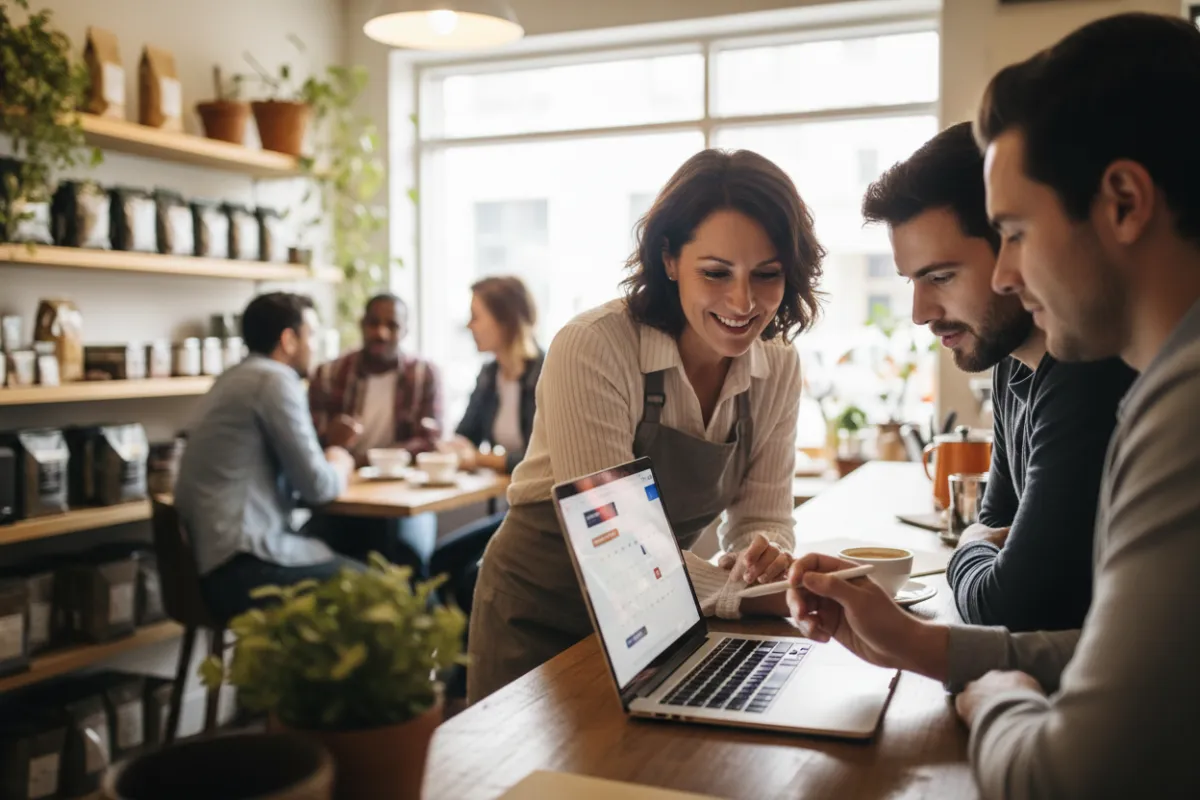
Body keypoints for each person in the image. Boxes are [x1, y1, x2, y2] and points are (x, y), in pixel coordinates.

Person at [787, 14, 1200, 797]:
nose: (1008, 275)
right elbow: (1113, 655)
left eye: (1012, 232)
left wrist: (999, 696)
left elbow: (1068, 775)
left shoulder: (1180, 402)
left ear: (1122, 202)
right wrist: (923, 645)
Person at [468, 148, 825, 702]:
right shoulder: (594, 347)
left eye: (767, 274)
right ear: (668, 259)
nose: (742, 301)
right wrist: (746, 594)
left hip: (659, 618)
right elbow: (616, 549)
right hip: (538, 619)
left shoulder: (777, 364)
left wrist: (764, 558)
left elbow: (763, 516)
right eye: (715, 272)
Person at [861, 122, 1135, 631]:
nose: (920, 312)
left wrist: (967, 548)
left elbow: (1010, 605)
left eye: (940, 277)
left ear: (1014, 247)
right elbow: (992, 526)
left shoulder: (1087, 375)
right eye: (912, 281)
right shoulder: (1013, 367)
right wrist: (980, 544)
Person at [175, 292, 359, 622]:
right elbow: (318, 486)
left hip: (213, 562)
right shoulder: (273, 381)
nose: (315, 346)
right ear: (288, 340)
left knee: (344, 547)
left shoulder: (234, 378)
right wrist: (339, 457)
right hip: (245, 565)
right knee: (389, 593)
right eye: (311, 334)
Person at [306, 293, 443, 575]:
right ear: (361, 325)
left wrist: (374, 459)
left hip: (404, 494)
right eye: (373, 323)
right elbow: (307, 441)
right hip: (345, 496)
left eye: (391, 325)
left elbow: (431, 439)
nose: (380, 333)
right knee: (311, 549)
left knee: (411, 557)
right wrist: (330, 439)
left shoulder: (423, 374)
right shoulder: (329, 374)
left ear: (405, 331)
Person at [433, 276, 544, 612]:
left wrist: (481, 459)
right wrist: (451, 446)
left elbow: (539, 459)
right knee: (439, 561)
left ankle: (474, 662)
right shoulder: (489, 373)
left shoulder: (547, 373)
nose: (469, 326)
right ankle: (460, 661)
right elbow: (467, 432)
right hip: (512, 505)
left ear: (505, 319)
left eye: (476, 316)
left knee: (471, 576)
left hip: (540, 510)